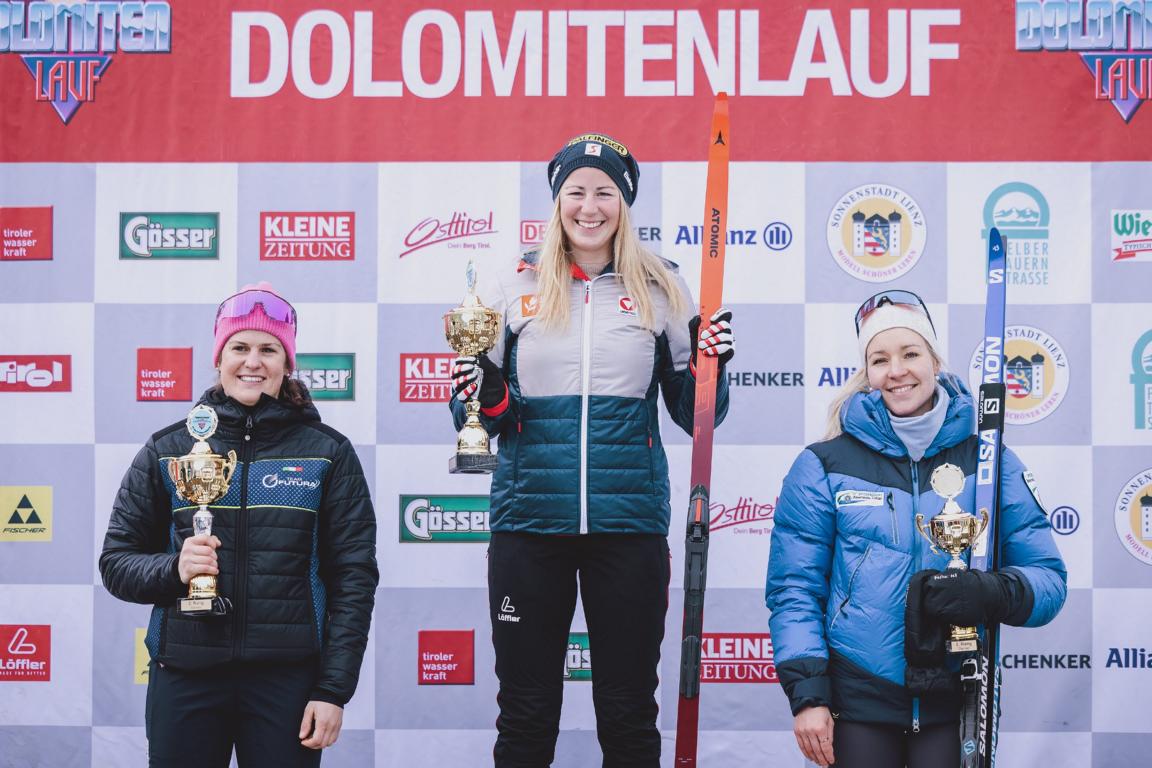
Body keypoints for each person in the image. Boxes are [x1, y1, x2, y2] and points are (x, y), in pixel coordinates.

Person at [449, 132, 735, 767]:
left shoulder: (663, 288)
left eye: (605, 191)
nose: (589, 205)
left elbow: (697, 416)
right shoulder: (510, 285)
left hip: (627, 527)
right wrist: (490, 392)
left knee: (630, 713)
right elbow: (473, 415)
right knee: (525, 714)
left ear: (624, 203)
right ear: (556, 201)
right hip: (530, 525)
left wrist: (713, 367)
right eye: (575, 190)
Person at [764, 290, 1066, 768]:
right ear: (868, 372)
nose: (897, 370)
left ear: (934, 360)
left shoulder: (988, 458)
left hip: (958, 693)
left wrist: (991, 592)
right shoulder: (824, 464)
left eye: (910, 353)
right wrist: (809, 696)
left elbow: (1048, 581)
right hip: (857, 696)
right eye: (880, 359)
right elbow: (793, 589)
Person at [100, 283, 379, 768]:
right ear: (220, 357)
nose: (253, 361)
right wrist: (174, 569)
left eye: (269, 349)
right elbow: (116, 562)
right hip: (186, 673)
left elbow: (354, 578)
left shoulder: (328, 452)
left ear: (287, 363)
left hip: (287, 682)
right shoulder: (169, 449)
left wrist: (333, 689)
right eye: (240, 347)